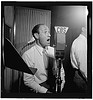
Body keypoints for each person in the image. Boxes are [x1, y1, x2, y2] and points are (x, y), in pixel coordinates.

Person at [22, 24, 65, 93]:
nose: (49, 35)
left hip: (55, 87)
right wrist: (45, 92)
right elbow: (28, 81)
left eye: (49, 32)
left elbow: (61, 71)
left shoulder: (53, 51)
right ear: (36, 35)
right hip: (41, 90)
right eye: (45, 32)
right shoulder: (28, 55)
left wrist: (60, 88)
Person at [70, 27, 87, 93]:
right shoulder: (81, 42)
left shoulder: (83, 41)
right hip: (82, 78)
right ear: (83, 28)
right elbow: (84, 67)